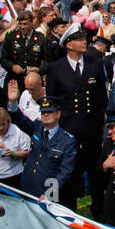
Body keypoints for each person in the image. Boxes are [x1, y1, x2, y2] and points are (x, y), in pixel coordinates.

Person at [46, 24, 108, 215]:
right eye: (80, 39)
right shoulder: (56, 68)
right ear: (69, 45)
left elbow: (101, 100)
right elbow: (53, 100)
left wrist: (102, 129)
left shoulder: (94, 64)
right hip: (69, 131)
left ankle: (98, 211)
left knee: (95, 174)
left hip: (91, 130)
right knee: (69, 174)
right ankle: (66, 211)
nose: (85, 41)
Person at [7, 91, 78, 200]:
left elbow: (64, 173)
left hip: (48, 194)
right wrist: (12, 102)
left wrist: (49, 194)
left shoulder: (67, 141)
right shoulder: (37, 127)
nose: (45, 114)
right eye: (43, 112)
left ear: (58, 114)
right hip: (28, 187)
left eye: (49, 112)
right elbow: (20, 119)